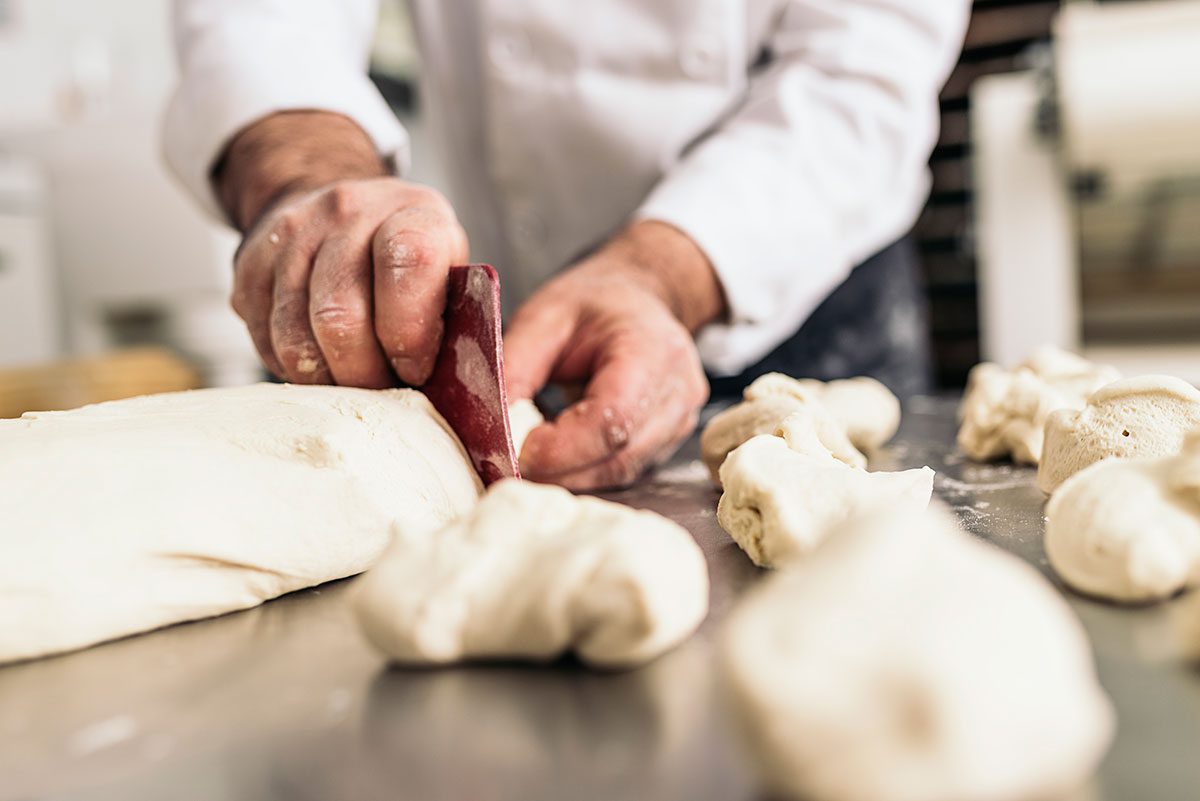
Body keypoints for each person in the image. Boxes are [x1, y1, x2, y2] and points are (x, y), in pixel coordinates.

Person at [165, 0, 969, 490]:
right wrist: (309, 170)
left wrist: (662, 274)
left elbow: (860, 68)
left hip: (795, 277)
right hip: (512, 340)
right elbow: (261, 16)